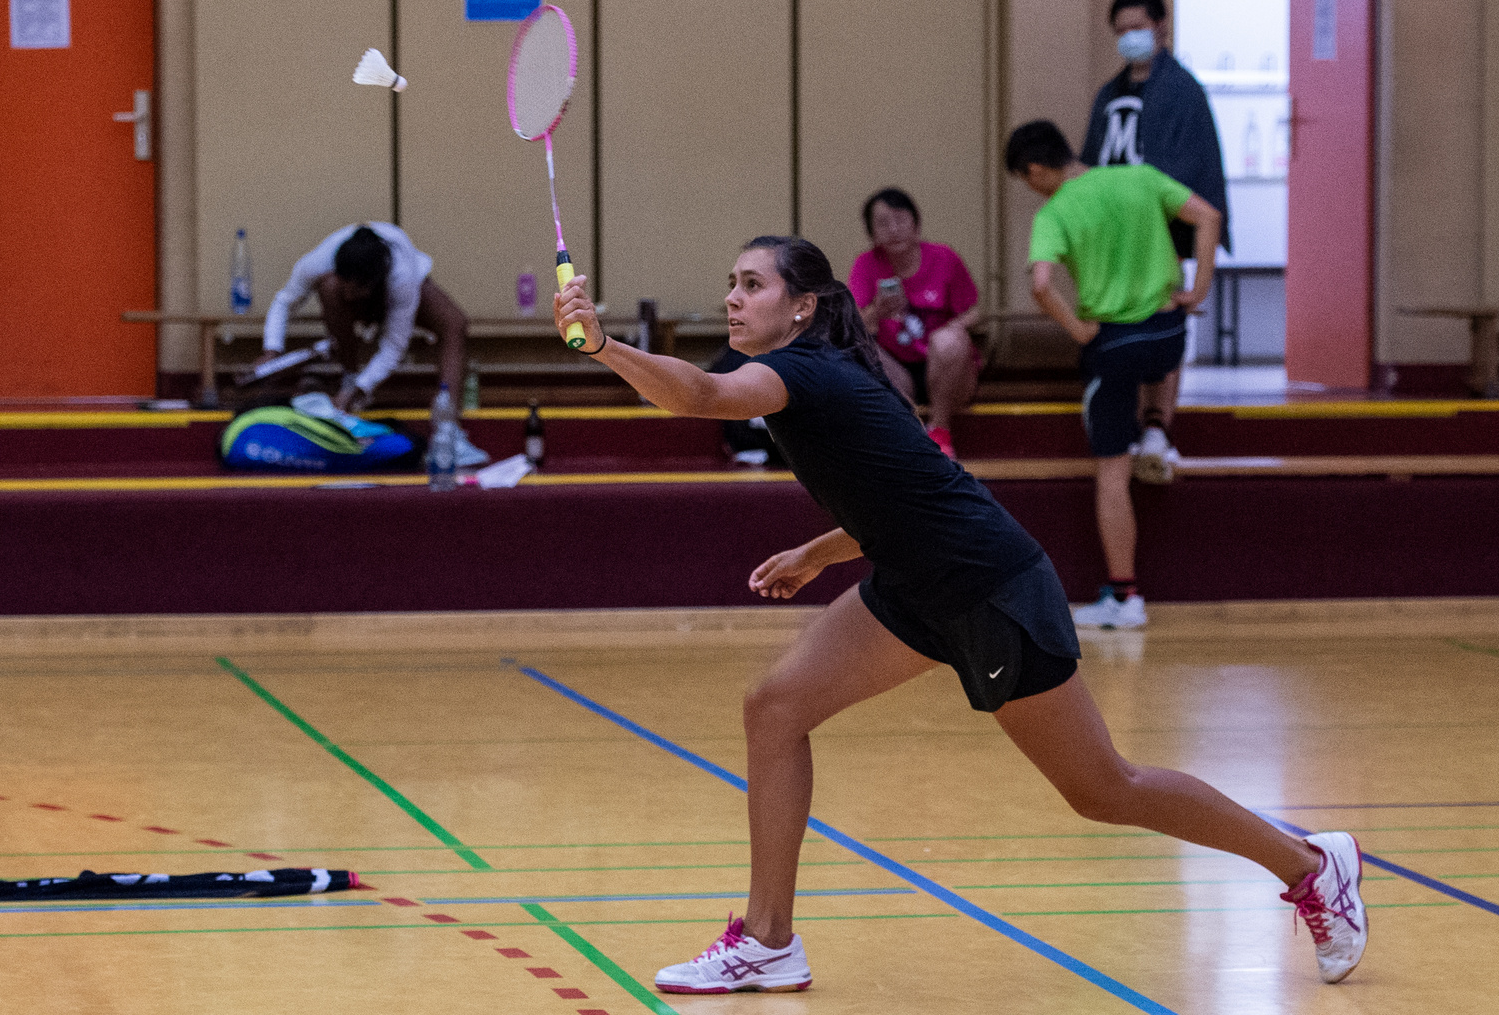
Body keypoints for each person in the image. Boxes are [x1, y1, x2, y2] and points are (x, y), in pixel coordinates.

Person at [551, 235, 1364, 995]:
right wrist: (817, 554)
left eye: (752, 285)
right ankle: (767, 942)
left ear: (801, 307)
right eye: (731, 285)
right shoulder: (815, 376)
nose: (733, 299)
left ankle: (1305, 863)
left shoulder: (802, 373)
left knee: (1101, 788)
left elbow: (696, 394)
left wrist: (601, 345)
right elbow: (906, 493)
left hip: (986, 590)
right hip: (913, 587)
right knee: (774, 708)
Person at [1008, 120, 1221, 630]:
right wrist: (1199, 291)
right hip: (1168, 333)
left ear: (1037, 170)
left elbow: (1041, 285)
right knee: (1164, 350)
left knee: (1111, 473)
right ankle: (1156, 429)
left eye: (1026, 179)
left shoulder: (1055, 212)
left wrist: (1080, 330)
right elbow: (1208, 216)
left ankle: (1124, 597)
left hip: (1115, 344)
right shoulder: (1140, 178)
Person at [1082, 0, 1230, 484]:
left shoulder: (1183, 90)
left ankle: (1158, 426)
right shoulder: (1110, 92)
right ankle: (1126, 419)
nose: (1129, 38)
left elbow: (1195, 164)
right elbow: (1093, 158)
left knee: (1162, 319)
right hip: (1115, 233)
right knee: (1120, 322)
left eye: (1137, 28)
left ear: (1161, 27)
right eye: (1120, 31)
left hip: (1161, 227)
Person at [258, 223, 483, 465]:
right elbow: (283, 301)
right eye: (345, 285)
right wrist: (272, 352)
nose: (348, 296)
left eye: (355, 291)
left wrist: (363, 387)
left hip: (399, 290)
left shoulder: (403, 277)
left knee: (455, 324)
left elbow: (394, 348)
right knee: (329, 289)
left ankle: (448, 431)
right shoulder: (319, 262)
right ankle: (349, 378)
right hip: (356, 292)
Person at [846, 188, 982, 458]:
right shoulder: (865, 264)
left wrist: (954, 328)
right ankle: (911, 434)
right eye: (883, 223)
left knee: (949, 340)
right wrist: (877, 311)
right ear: (872, 233)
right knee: (858, 349)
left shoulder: (944, 258)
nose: (893, 229)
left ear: (916, 223)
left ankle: (940, 431)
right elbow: (852, 325)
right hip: (898, 370)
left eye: (900, 219)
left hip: (948, 368)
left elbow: (974, 312)